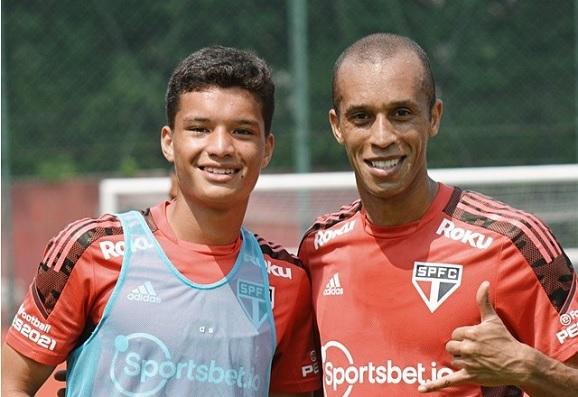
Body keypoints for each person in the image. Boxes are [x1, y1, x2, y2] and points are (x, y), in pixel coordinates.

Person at [2, 45, 320, 396]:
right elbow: (10, 382)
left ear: (268, 148)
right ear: (169, 142)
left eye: (242, 131)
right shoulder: (88, 249)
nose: (220, 147)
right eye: (199, 129)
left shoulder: (288, 282)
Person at [298, 33, 578, 396]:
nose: (382, 136)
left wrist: (527, 367)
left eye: (401, 114)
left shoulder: (512, 242)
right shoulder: (317, 250)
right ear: (337, 126)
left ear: (434, 117)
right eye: (362, 117)